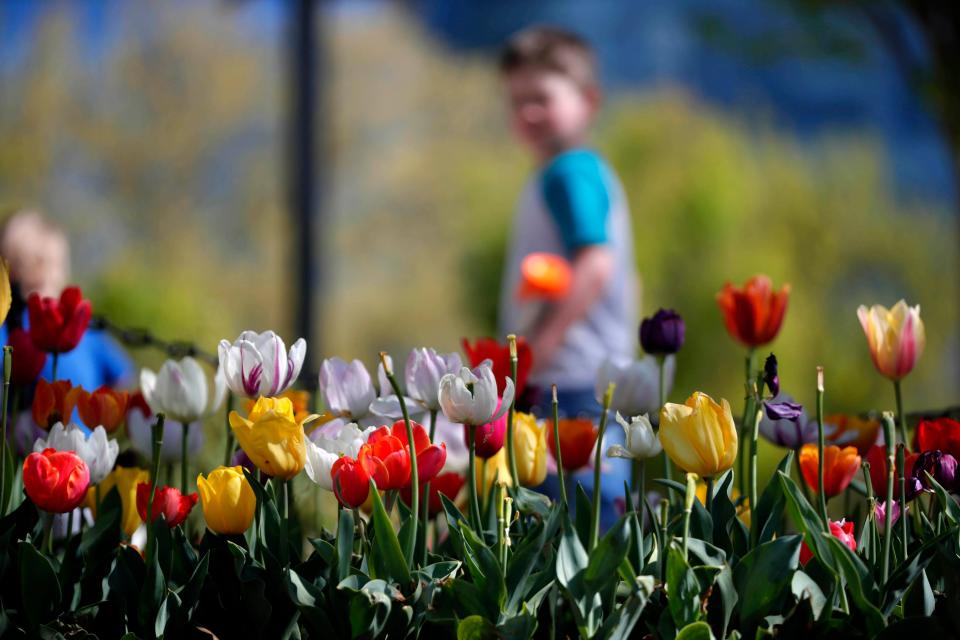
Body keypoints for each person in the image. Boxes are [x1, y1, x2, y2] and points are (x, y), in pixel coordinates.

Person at [496, 27, 639, 528]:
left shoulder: (568, 172)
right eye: (516, 100)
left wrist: (531, 353)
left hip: (570, 386)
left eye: (541, 97)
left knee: (575, 540)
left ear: (588, 102)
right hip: (588, 382)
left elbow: (595, 262)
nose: (527, 112)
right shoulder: (578, 172)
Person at [0, 210, 133, 393]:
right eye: (32, 264)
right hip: (30, 420)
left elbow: (122, 377)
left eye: (53, 263)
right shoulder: (11, 326)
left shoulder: (85, 329)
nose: (45, 274)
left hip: (82, 421)